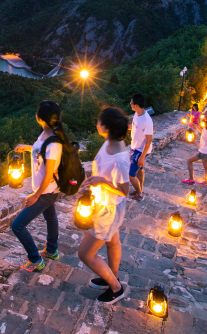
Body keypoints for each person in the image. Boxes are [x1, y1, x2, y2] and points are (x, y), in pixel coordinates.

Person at [79, 106, 131, 304]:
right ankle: (111, 277)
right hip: (104, 203)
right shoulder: (110, 142)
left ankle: (117, 289)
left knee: (85, 253)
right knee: (112, 242)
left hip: (109, 209)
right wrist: (96, 179)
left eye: (99, 121)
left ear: (107, 127)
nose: (97, 124)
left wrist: (102, 182)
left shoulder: (120, 158)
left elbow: (125, 191)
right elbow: (103, 170)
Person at [11, 100, 67, 272]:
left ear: (39, 118)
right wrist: (27, 148)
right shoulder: (45, 135)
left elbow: (50, 172)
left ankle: (35, 259)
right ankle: (51, 250)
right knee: (51, 218)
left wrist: (36, 195)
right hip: (46, 191)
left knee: (17, 226)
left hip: (46, 192)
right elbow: (40, 152)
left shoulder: (54, 143)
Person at [128, 93, 153, 201]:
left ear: (137, 105)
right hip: (134, 147)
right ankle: (140, 189)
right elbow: (133, 127)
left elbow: (149, 140)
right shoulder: (137, 114)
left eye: (132, 103)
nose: (130, 104)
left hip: (141, 150)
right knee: (140, 170)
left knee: (131, 174)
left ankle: (139, 194)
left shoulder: (147, 120)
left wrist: (142, 157)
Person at [183, 109, 207, 185]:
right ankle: (205, 182)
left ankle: (191, 179)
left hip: (204, 151)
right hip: (206, 151)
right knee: (206, 167)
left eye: (206, 114)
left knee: (189, 161)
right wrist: (196, 126)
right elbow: (203, 132)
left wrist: (203, 144)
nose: (204, 115)